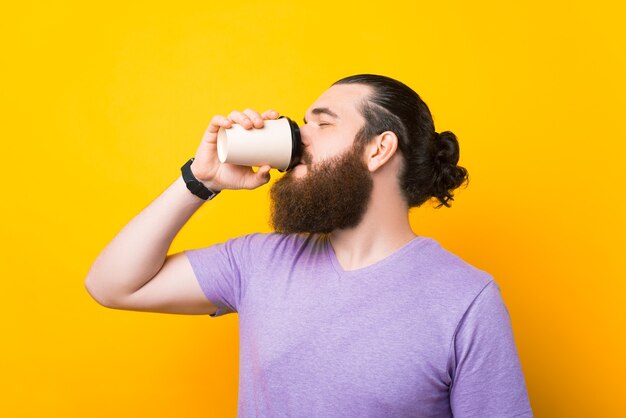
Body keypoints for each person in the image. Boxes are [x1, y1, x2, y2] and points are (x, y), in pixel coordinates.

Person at [85, 74, 533, 417]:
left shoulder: (466, 300)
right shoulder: (258, 263)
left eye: (321, 122)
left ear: (379, 149)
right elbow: (112, 285)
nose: (300, 137)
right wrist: (200, 180)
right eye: (302, 123)